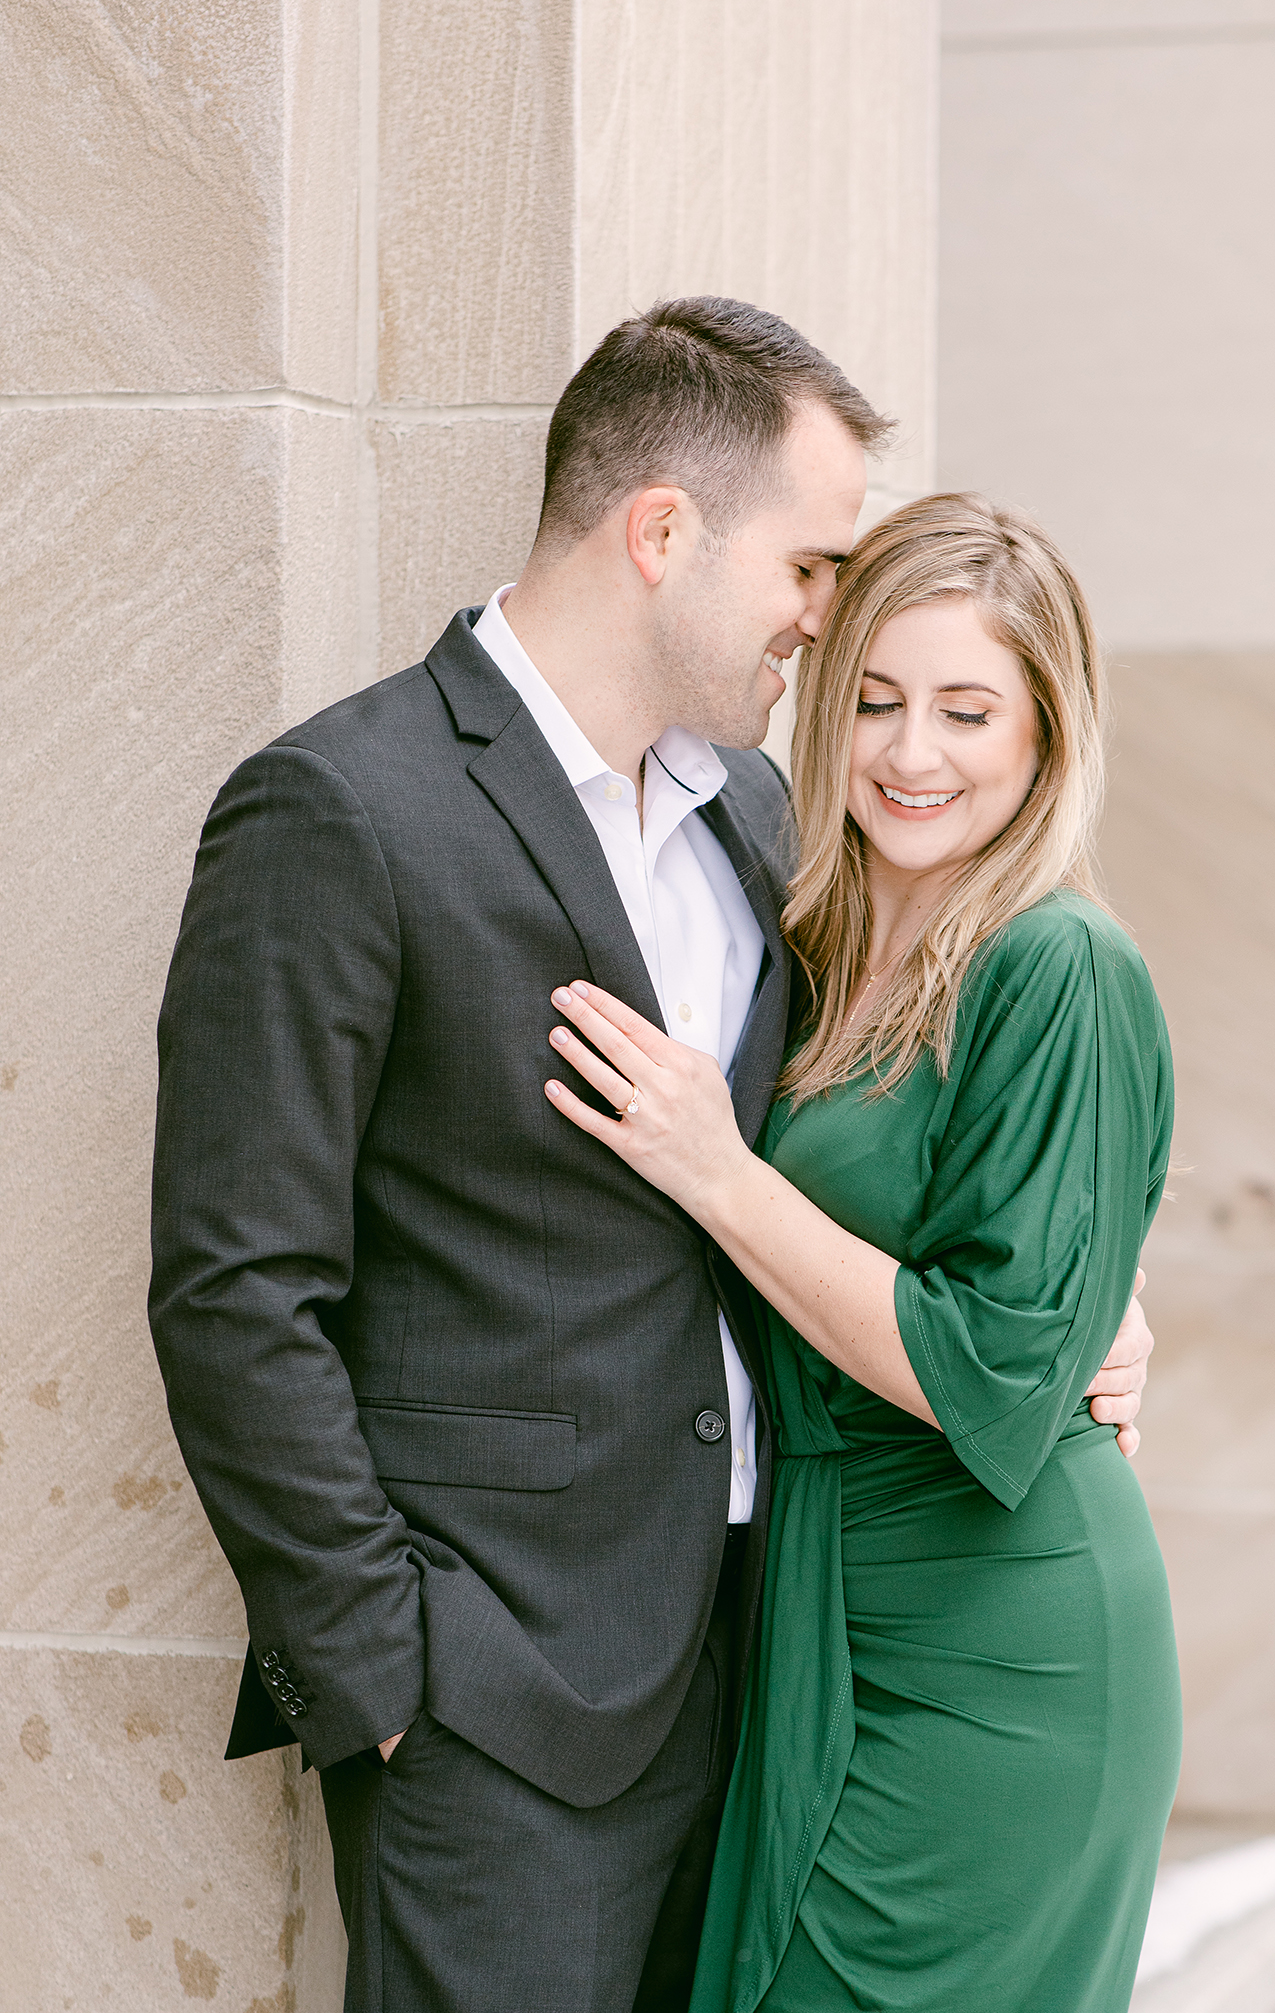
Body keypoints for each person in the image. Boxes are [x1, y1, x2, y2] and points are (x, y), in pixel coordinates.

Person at [148, 304, 1155, 2013]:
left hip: (782, 1663)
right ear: (664, 531)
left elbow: (900, 1136)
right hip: (498, 1696)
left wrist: (1087, 1294)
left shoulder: (765, 818)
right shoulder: (344, 807)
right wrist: (380, 1666)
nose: (829, 619)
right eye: (813, 565)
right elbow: (237, 1284)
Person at [540, 491, 1182, 2013]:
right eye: (879, 701)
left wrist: (719, 1171)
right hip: (822, 1603)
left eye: (968, 711)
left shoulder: (1054, 959)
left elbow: (995, 1373)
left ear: (1043, 732)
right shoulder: (808, 934)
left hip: (998, 1648)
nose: (912, 753)